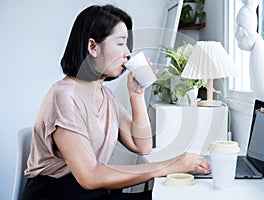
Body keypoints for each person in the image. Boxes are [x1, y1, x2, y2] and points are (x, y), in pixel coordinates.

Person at [21, 5, 211, 200]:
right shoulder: (64, 97)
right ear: (92, 47)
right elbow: (89, 176)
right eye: (121, 43)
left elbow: (142, 145)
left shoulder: (105, 95)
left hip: (91, 193)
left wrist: (136, 95)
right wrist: (169, 165)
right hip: (59, 194)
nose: (128, 52)